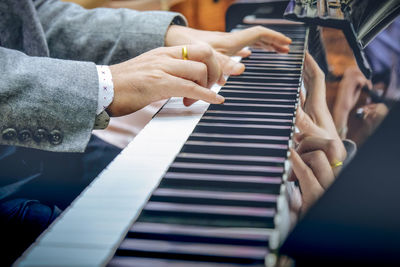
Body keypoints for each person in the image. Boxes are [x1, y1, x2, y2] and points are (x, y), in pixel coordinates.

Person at [0, 0, 292, 264]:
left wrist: (169, 36)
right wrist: (102, 85)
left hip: (21, 153)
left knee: (185, 197)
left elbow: (26, 16)